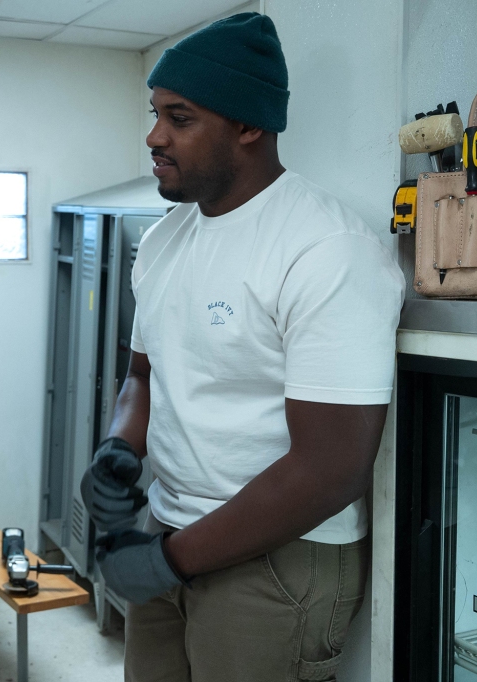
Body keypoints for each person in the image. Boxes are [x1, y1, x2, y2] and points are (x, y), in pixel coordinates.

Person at [79, 12, 404, 682]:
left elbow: (331, 466)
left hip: (279, 559)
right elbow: (144, 375)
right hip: (171, 530)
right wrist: (120, 449)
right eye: (155, 114)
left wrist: (171, 560)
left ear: (248, 126)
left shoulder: (327, 249)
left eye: (180, 117)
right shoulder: (167, 239)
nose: (154, 135)